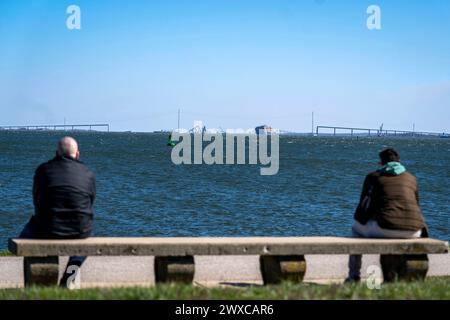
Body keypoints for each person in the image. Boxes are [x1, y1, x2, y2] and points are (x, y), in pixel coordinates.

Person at [19, 136, 96, 287]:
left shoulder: (44, 170)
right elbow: (90, 202)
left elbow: (37, 200)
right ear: (77, 154)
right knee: (83, 244)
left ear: (56, 153)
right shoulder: (88, 173)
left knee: (25, 236)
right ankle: (69, 277)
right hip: (79, 229)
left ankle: (38, 279)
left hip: (47, 228)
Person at [346, 148, 427, 282]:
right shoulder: (411, 178)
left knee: (355, 229)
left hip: (386, 227)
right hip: (414, 230)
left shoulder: (374, 177)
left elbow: (364, 205)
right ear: (399, 161)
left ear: (381, 163)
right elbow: (417, 205)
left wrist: (363, 220)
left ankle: (353, 276)